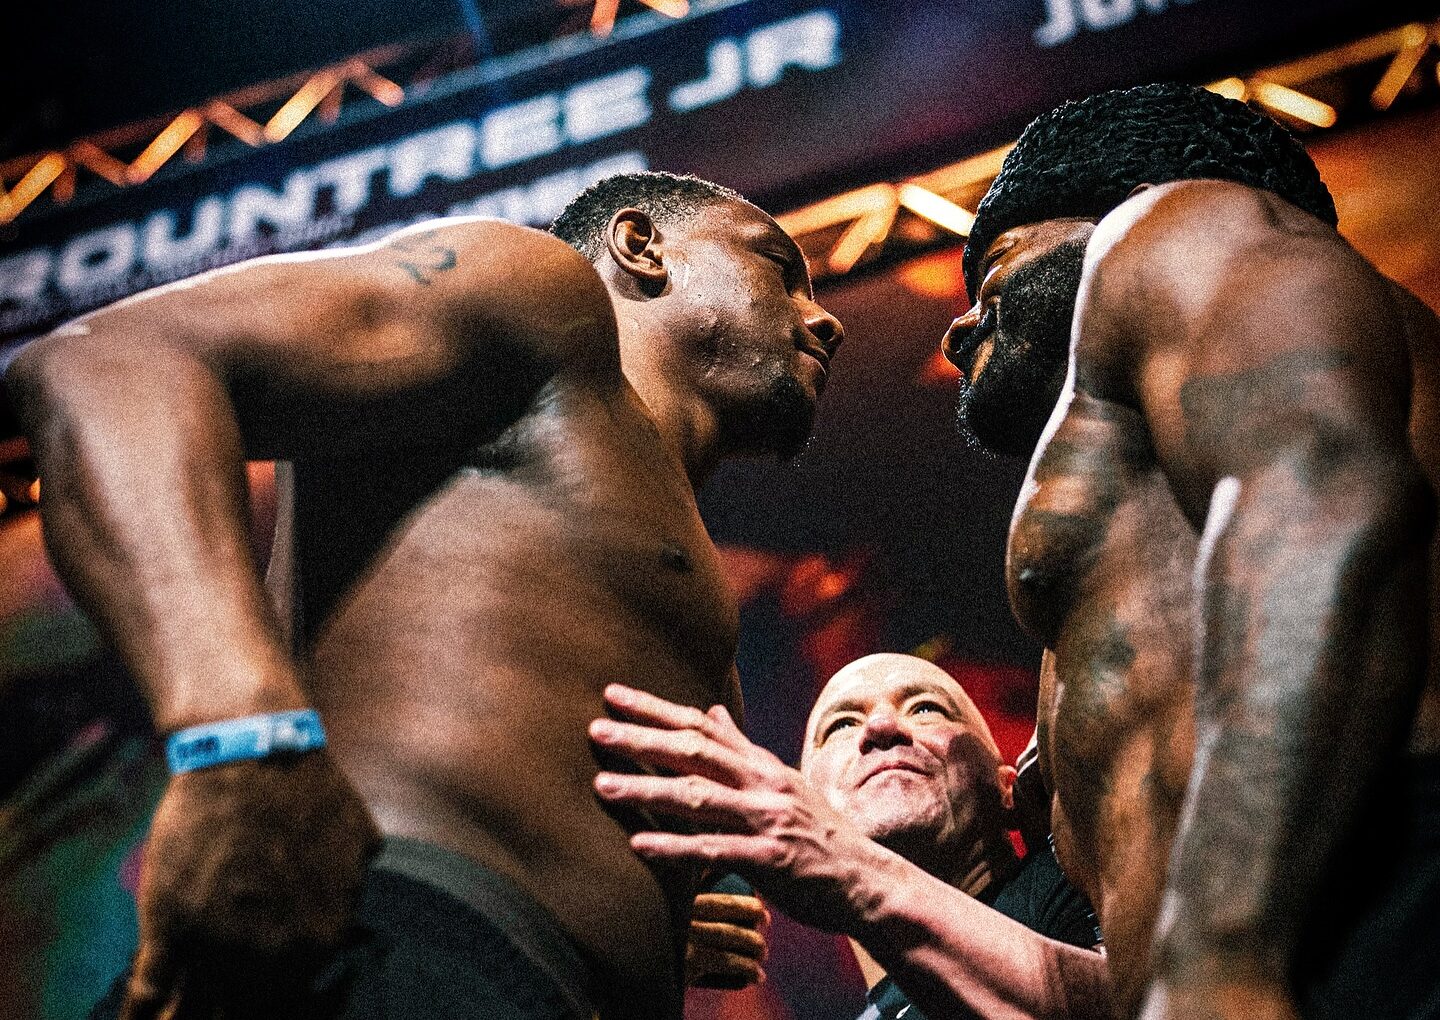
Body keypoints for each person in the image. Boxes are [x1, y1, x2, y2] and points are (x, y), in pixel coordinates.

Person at [4, 169, 843, 1020]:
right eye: (779, 270)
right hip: (379, 945)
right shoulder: (544, 300)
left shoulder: (679, 571)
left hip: (502, 976)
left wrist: (639, 934)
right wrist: (242, 737)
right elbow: (106, 362)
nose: (825, 319)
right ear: (641, 246)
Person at [942, 82, 1440, 1019]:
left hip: (1362, 932)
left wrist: (1224, 954)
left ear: (1124, 201)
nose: (960, 326)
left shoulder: (1184, 223)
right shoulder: (1152, 514)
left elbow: (1325, 501)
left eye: (997, 264)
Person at [589, 652, 1112, 1020]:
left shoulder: (1087, 887)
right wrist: (632, 997)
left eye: (926, 708)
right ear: (806, 798)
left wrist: (854, 874)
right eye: (841, 724)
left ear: (1008, 788)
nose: (882, 727)